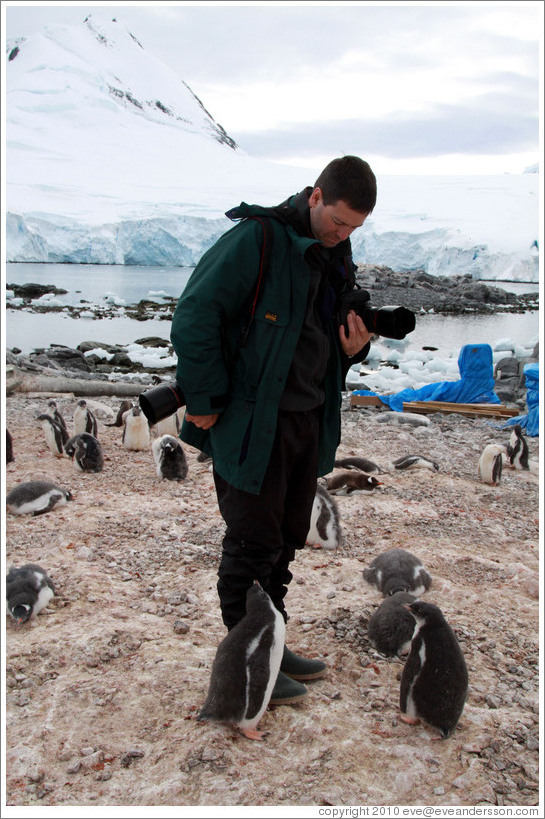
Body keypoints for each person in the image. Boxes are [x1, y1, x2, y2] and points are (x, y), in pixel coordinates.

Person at [170, 155, 377, 704]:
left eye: (354, 228)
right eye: (338, 221)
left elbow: (316, 340)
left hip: (307, 420)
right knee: (251, 544)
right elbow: (194, 314)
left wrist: (353, 350)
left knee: (284, 544)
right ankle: (247, 661)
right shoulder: (256, 240)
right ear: (314, 196)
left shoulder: (332, 256)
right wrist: (206, 398)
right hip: (250, 423)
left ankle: (273, 645)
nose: (343, 235)